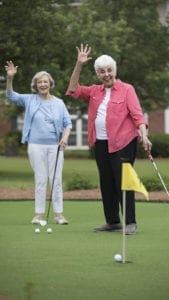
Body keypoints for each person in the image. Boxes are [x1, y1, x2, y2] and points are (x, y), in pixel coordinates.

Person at [66, 44, 152, 235]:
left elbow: (138, 116)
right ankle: (113, 222)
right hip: (101, 143)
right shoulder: (94, 91)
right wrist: (79, 65)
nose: (106, 74)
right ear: (97, 74)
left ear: (115, 71)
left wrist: (144, 137)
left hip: (123, 143)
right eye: (101, 71)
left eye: (109, 70)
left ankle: (131, 223)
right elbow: (72, 89)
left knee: (124, 181)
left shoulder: (127, 89)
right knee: (106, 182)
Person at [5, 61, 72, 225]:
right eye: (39, 82)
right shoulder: (30, 100)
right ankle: (39, 215)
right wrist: (9, 78)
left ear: (50, 84)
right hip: (35, 145)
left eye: (45, 81)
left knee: (56, 179)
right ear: (35, 85)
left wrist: (65, 138)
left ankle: (58, 215)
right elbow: (10, 95)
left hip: (55, 146)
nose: (43, 84)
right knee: (41, 179)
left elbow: (68, 124)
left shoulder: (59, 103)